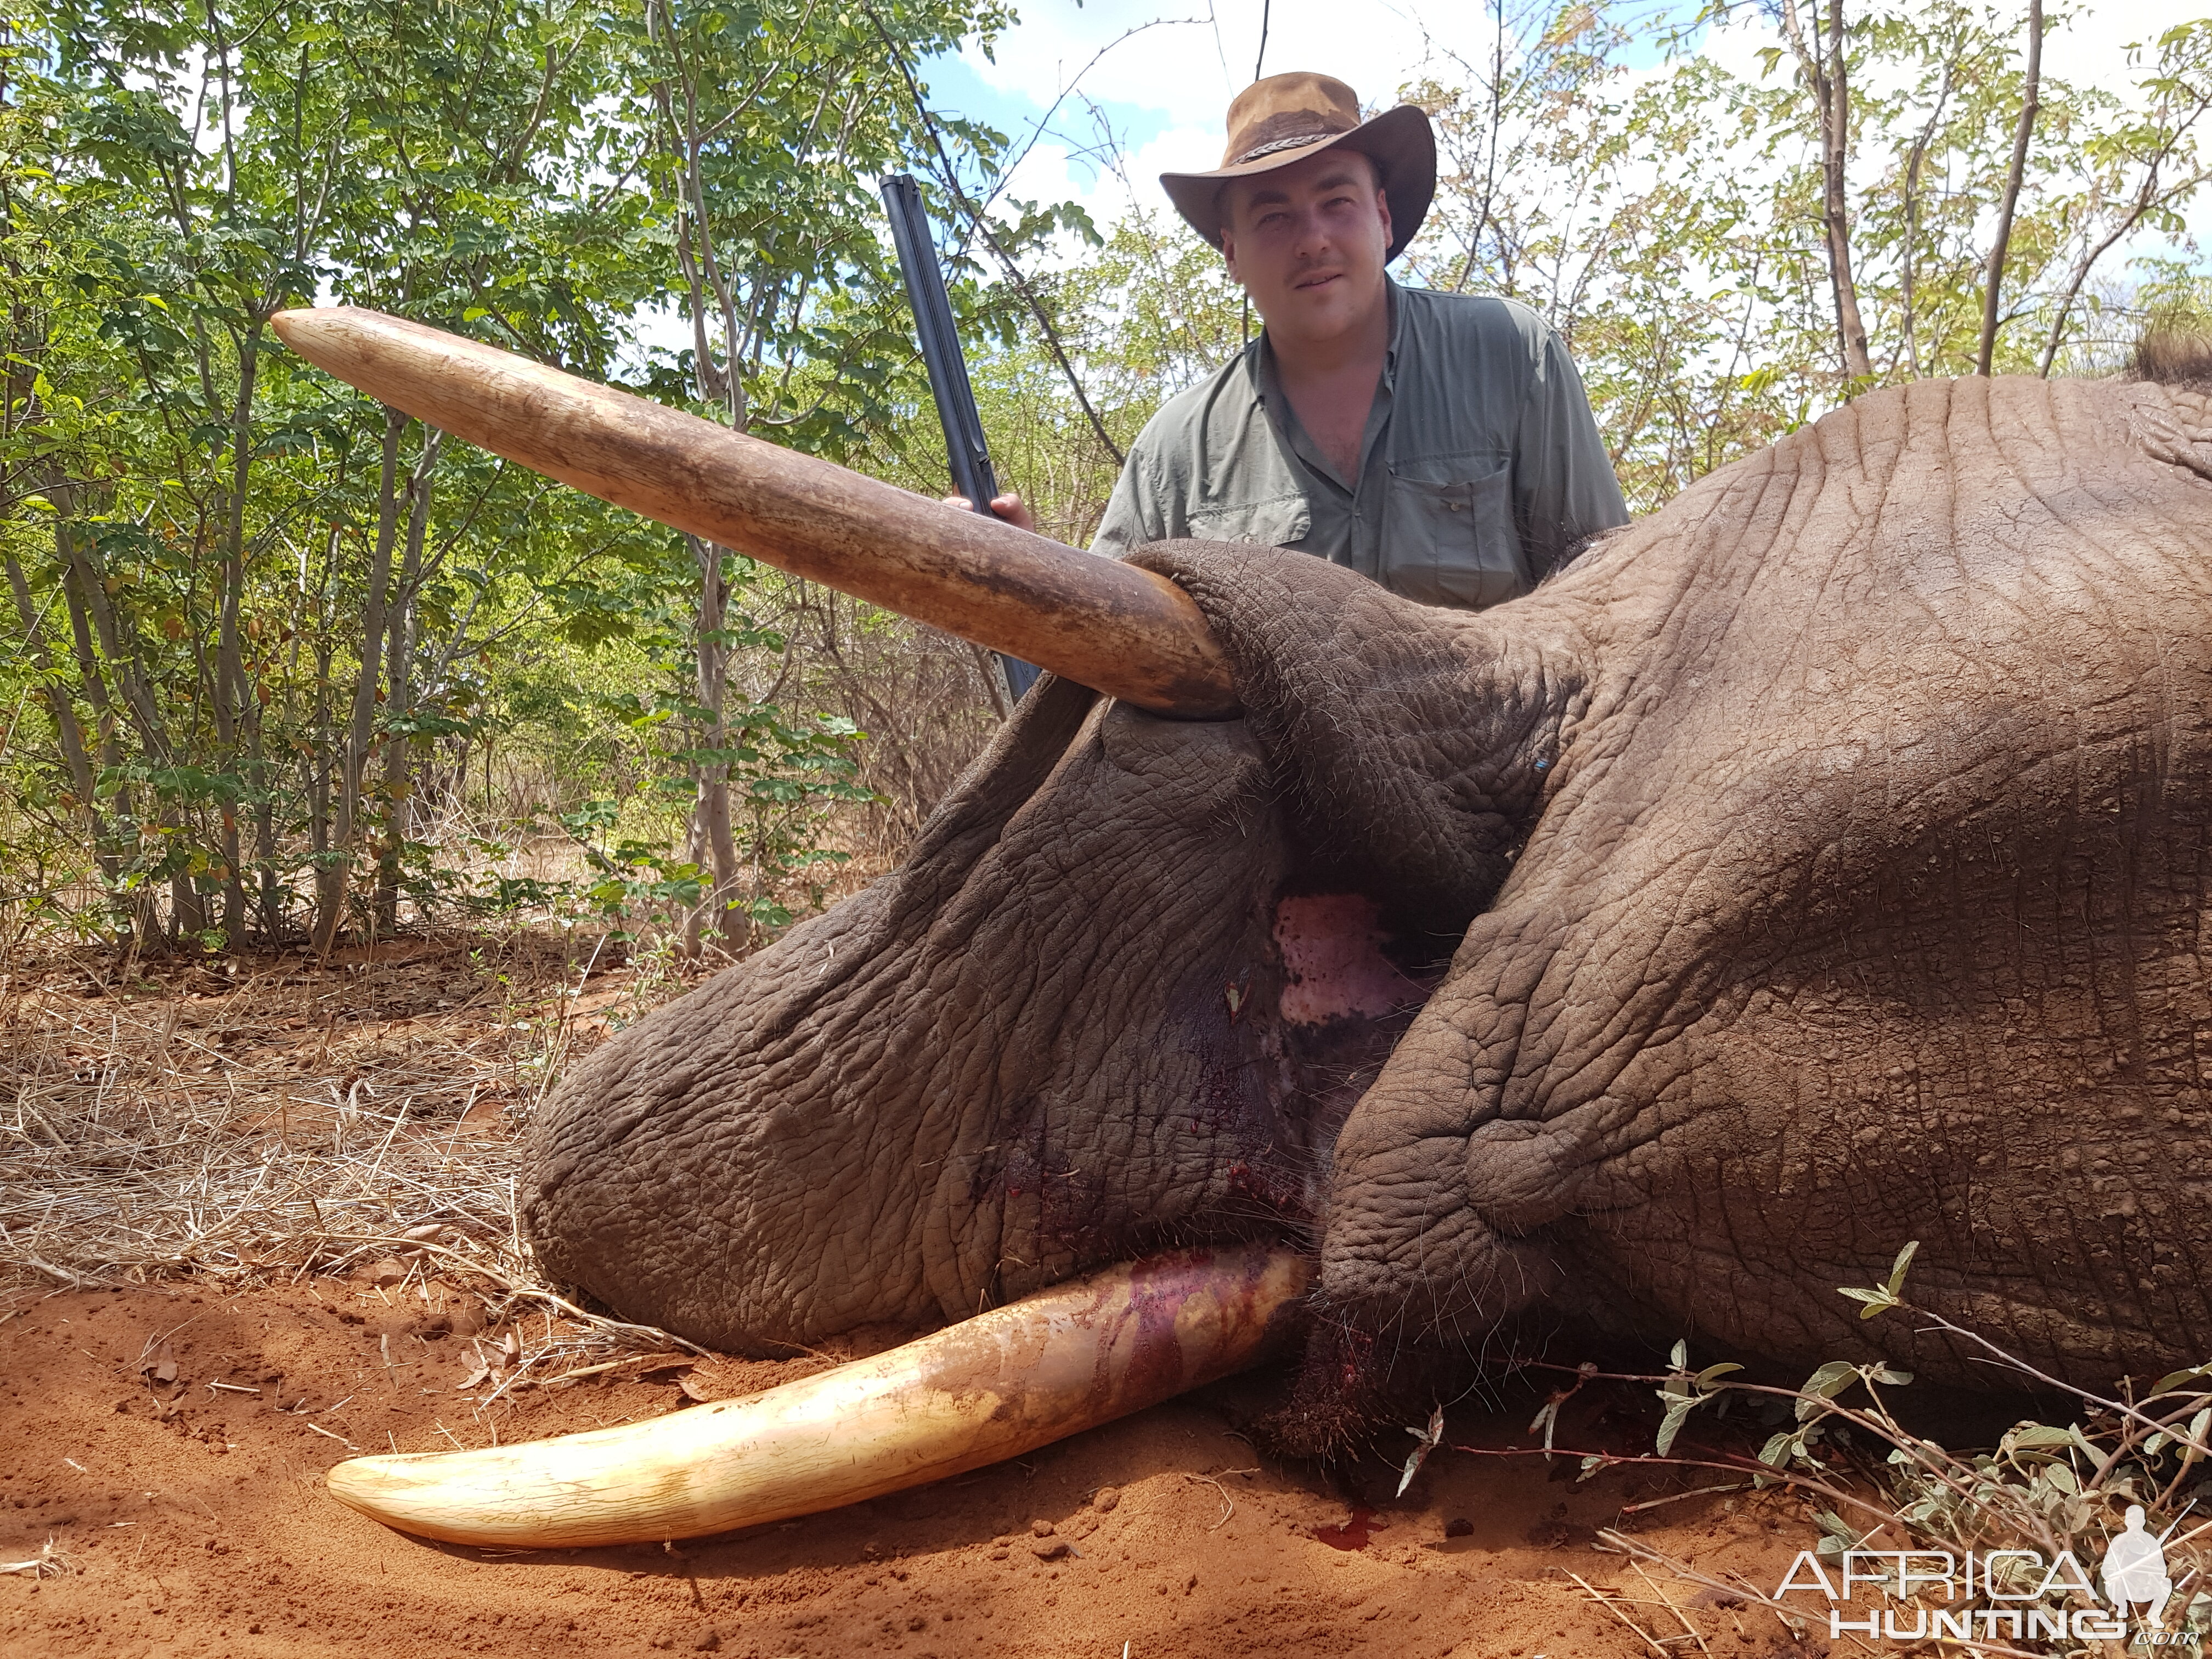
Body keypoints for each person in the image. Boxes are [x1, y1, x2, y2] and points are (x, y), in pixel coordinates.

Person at [963, 72, 1629, 611]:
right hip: (1278, 780)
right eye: (1274, 216)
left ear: (1384, 217)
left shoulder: (1511, 353)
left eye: (1336, 201)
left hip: (1507, 769)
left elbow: (1608, 592)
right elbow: (1111, 644)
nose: (1313, 239)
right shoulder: (1176, 451)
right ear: (1232, 254)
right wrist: (1026, 575)